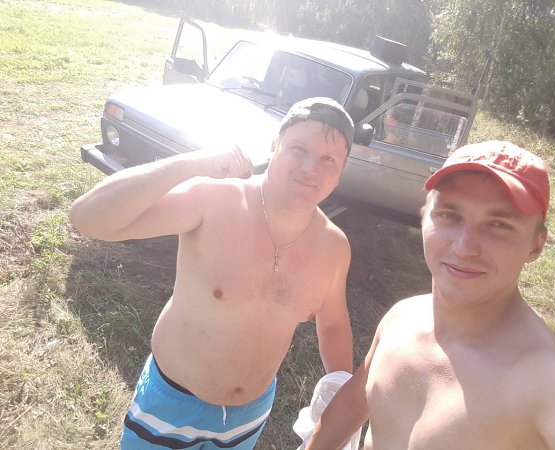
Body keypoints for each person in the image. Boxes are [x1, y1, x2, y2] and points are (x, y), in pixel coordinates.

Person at [69, 97, 356, 449]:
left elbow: (333, 324)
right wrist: (192, 163)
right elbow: (88, 218)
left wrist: (340, 393)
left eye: (328, 159)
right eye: (299, 149)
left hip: (249, 418)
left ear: (340, 173)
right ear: (275, 145)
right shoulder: (214, 200)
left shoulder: (333, 247)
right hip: (171, 405)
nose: (310, 168)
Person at [305, 141, 555, 450]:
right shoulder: (401, 319)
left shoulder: (546, 383)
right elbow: (355, 400)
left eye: (499, 225)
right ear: (424, 217)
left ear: (536, 244)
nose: (464, 247)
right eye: (450, 215)